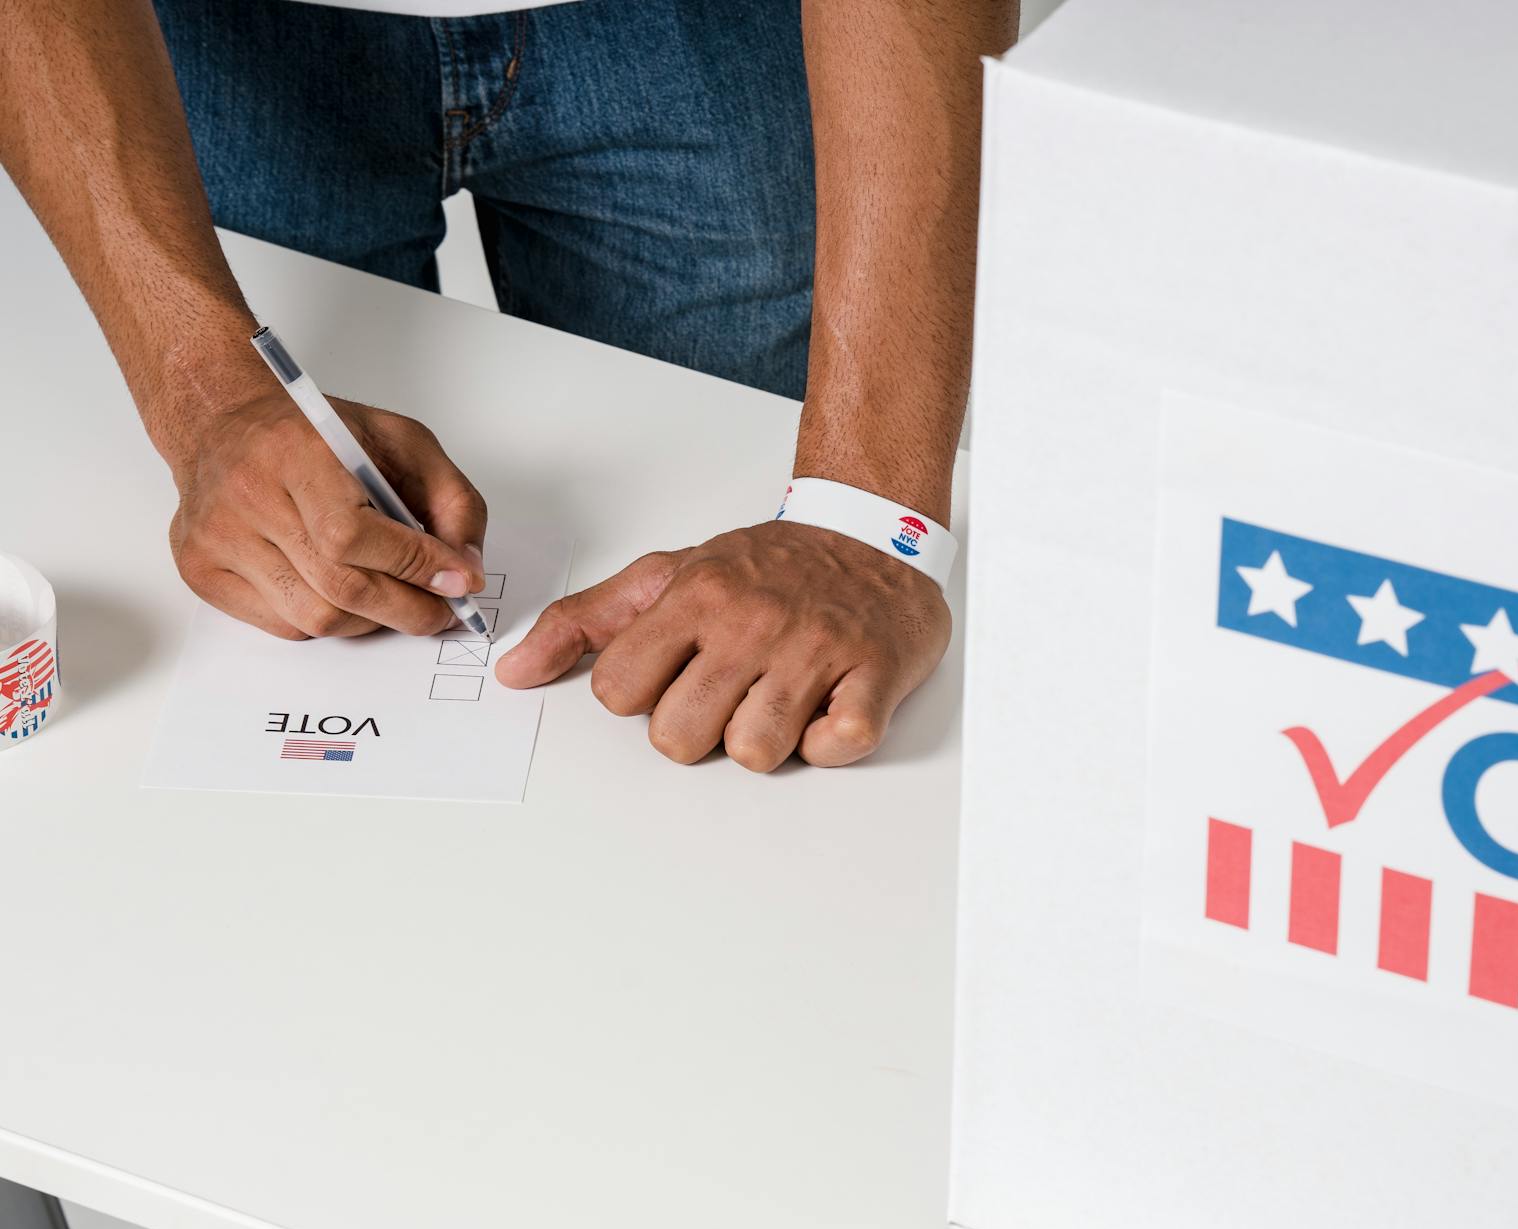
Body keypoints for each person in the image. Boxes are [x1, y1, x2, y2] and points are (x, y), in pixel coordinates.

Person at [0, 0, 1015, 771]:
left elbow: (845, 543)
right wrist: (206, 395)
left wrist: (868, 520)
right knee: (300, 567)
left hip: (705, 33)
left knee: (742, 633)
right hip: (208, 41)